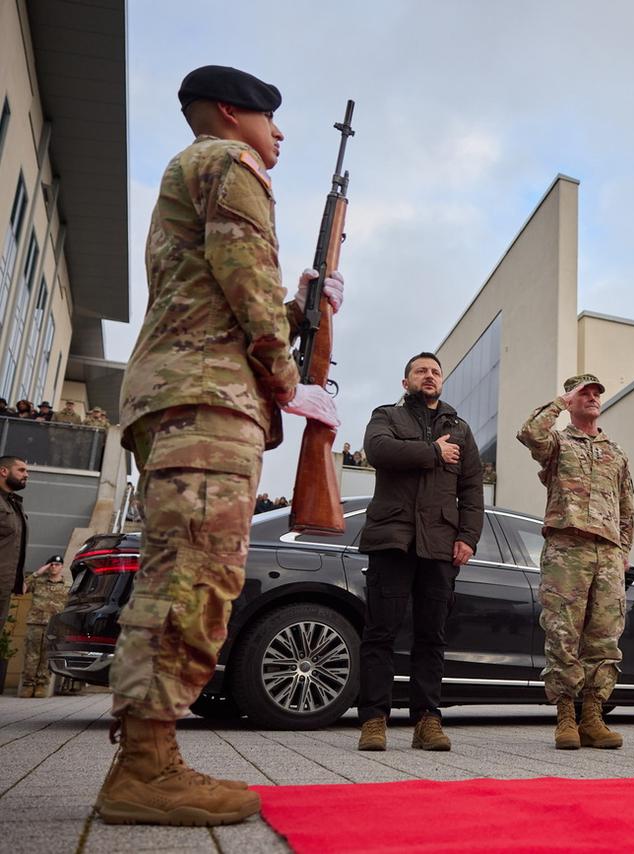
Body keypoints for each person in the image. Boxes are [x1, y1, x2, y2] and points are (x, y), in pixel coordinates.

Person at [95, 64, 343, 827]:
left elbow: (223, 278)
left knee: (185, 570)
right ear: (235, 114)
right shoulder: (228, 163)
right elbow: (243, 277)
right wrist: (285, 376)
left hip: (185, 390)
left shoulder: (193, 171)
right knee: (193, 579)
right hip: (207, 395)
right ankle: (144, 768)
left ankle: (151, 755)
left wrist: (303, 299)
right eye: (272, 121)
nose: (280, 137)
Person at [355, 352, 484, 753]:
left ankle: (427, 720)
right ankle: (374, 720)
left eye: (434, 372)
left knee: (432, 637)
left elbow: (473, 488)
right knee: (380, 633)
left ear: (442, 381)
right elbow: (378, 451)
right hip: (392, 539)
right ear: (405, 381)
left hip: (440, 546)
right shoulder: (386, 417)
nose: (428, 376)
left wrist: (468, 536)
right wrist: (432, 452)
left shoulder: (460, 428)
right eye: (420, 371)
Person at [518, 374, 634, 750]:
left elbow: (627, 508)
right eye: (585, 392)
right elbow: (530, 431)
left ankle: (593, 715)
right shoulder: (557, 443)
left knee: (604, 636)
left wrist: (622, 549)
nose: (593, 397)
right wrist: (559, 402)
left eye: (597, 392)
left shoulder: (615, 451)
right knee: (563, 632)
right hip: (567, 549)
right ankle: (566, 714)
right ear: (571, 399)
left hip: (608, 552)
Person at [19, 556, 69, 697]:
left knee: (47, 656)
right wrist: (37, 573)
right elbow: (22, 590)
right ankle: (28, 685)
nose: (54, 567)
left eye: (57, 564)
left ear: (62, 567)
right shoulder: (38, 582)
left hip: (54, 626)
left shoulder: (67, 585)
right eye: (51, 564)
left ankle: (41, 685)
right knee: (31, 655)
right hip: (35, 623)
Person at [0, 456, 30, 633]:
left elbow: (14, 544)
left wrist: (19, 577)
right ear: (3, 471)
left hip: (5, 585)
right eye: (21, 470)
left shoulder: (14, 503)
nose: (27, 475)